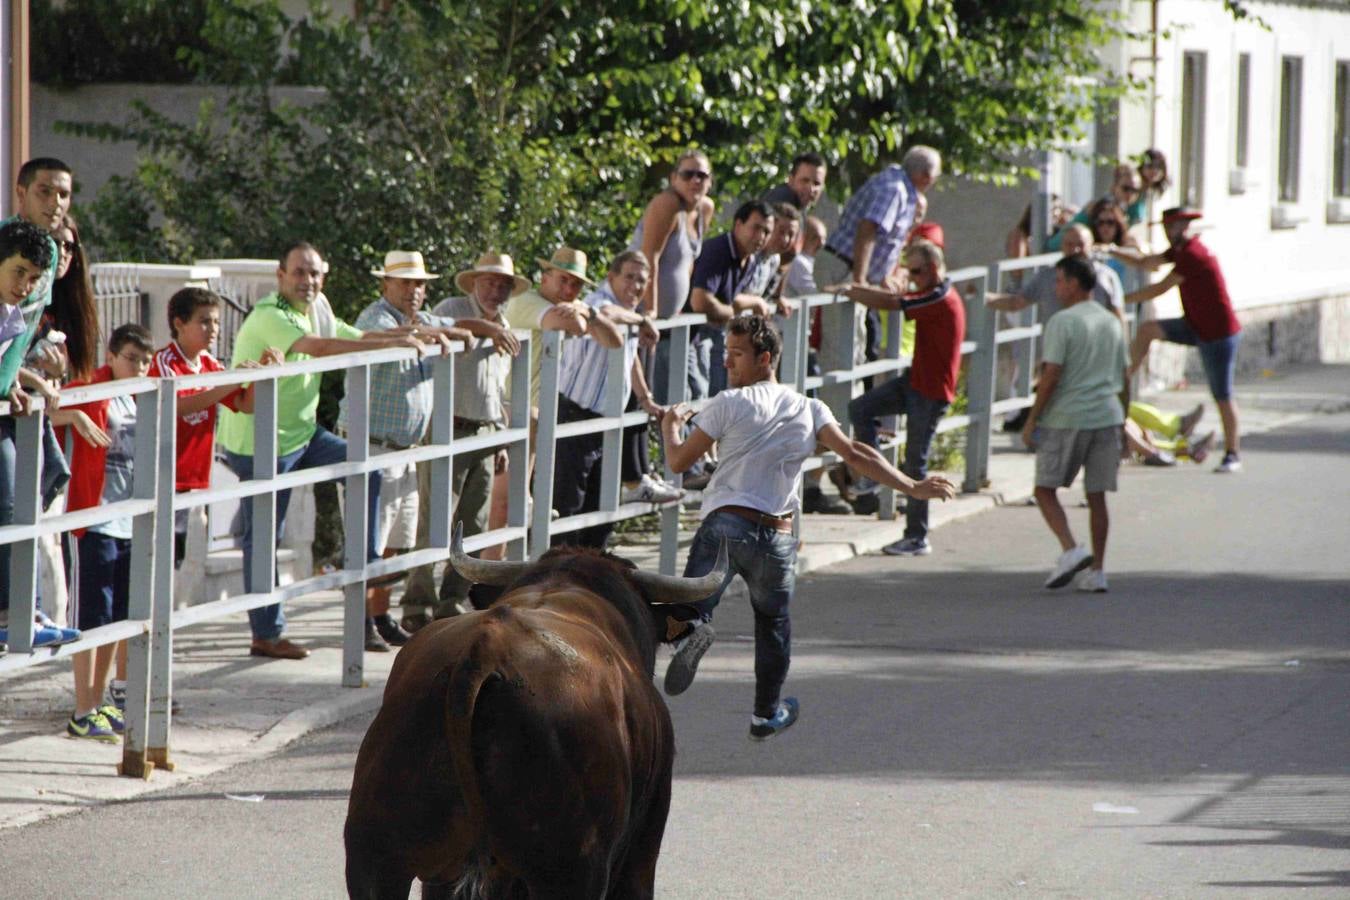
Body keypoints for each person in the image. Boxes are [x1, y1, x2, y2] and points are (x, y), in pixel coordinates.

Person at [658, 315, 956, 739]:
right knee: (773, 624)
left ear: (765, 358)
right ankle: (765, 715)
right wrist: (912, 486)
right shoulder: (809, 408)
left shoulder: (726, 402)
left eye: (736, 354)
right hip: (776, 536)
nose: (727, 363)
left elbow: (678, 462)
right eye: (726, 353)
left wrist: (671, 428)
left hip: (726, 524)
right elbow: (855, 453)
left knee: (686, 608)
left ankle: (687, 632)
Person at [217, 241, 430, 659]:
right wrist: (388, 345)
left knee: (363, 466)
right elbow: (323, 348)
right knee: (265, 539)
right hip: (261, 441)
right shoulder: (272, 316)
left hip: (302, 434)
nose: (307, 281)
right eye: (298, 272)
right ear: (281, 277)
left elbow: (351, 335)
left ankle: (361, 562)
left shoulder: (317, 309)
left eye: (314, 273)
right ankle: (266, 634)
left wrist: (403, 335)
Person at [338, 251, 470, 651]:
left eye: (420, 283)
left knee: (397, 542)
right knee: (367, 545)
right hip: (371, 447)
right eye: (406, 283)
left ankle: (379, 616)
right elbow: (375, 339)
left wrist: (483, 330)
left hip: (406, 450)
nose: (414, 290)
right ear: (386, 285)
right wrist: (428, 336)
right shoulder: (375, 317)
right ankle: (357, 624)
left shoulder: (425, 319)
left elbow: (460, 325)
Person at [404, 252, 524, 625]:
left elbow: (496, 390)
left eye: (503, 285)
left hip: (485, 432)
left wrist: (501, 438)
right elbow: (426, 323)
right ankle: (416, 605)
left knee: (472, 526)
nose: (496, 290)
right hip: (447, 429)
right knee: (434, 523)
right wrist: (485, 329)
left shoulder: (505, 322)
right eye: (489, 282)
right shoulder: (454, 306)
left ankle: (452, 600)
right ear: (474, 283)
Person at [832, 240, 966, 555]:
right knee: (860, 409)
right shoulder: (936, 289)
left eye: (917, 271)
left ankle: (917, 537)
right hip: (915, 382)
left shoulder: (940, 296)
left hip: (930, 392)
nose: (913, 278)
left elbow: (893, 304)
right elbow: (898, 296)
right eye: (910, 271)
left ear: (933, 268)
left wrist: (852, 290)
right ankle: (872, 475)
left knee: (914, 465)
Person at [61, 324, 156, 741]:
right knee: (89, 619)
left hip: (127, 520)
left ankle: (97, 704)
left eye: (145, 359)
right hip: (93, 518)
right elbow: (46, 408)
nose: (139, 366)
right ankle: (83, 707)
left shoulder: (143, 395)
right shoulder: (92, 386)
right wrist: (76, 413)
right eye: (132, 358)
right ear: (113, 356)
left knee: (114, 621)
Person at [552, 250, 680, 548]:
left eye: (642, 281)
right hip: (576, 416)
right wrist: (642, 319)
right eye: (630, 277)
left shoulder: (628, 311)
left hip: (606, 422)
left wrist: (645, 397)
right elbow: (606, 316)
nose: (636, 286)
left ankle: (590, 580)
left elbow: (628, 355)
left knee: (601, 510)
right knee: (569, 508)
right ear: (611, 277)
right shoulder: (597, 303)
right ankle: (559, 581)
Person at [1021, 256, 1129, 593]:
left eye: (1059, 281)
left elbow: (1051, 374)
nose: (1056, 288)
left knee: (1044, 488)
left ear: (1073, 284)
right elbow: (1124, 376)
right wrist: (1124, 421)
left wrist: (1032, 419)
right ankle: (1097, 570)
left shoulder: (1062, 321)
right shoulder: (1112, 322)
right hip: (1107, 416)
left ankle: (1071, 549)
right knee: (1097, 496)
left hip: (1067, 417)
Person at [0, 160, 71, 648]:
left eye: (64, 194)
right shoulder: (11, 240)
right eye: (45, 191)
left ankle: (23, 610)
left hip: (10, 398)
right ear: (21, 192)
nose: (55, 202)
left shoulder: (47, 251)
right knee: (10, 503)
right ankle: (14, 612)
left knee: (44, 482)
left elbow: (14, 339)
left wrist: (18, 379)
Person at [1112, 207, 1242, 473]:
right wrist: (1112, 250)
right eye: (1170, 227)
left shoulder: (1193, 254)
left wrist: (1120, 300)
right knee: (1148, 330)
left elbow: (1159, 288)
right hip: (1195, 325)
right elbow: (1147, 262)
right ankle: (1123, 378)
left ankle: (1232, 454)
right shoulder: (1180, 251)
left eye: (1178, 226)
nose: (1173, 232)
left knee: (1223, 395)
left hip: (1217, 334)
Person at [818, 146, 942, 365]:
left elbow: (888, 240)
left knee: (856, 348)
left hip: (850, 269)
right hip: (844, 269)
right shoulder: (894, 189)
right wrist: (860, 281)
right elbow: (868, 229)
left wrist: (884, 276)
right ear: (926, 176)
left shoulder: (900, 186)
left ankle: (849, 399)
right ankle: (839, 401)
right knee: (843, 353)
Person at [630, 150, 715, 404]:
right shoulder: (666, 204)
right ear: (673, 178)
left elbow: (688, 260)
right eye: (688, 174)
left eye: (702, 175)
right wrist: (652, 312)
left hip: (671, 321)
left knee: (682, 397)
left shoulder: (705, 208)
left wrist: (681, 305)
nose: (695, 181)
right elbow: (649, 258)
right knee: (637, 398)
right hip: (641, 313)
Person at [688, 200, 776, 398]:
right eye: (756, 228)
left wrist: (754, 302)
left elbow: (731, 298)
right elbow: (700, 301)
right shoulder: (717, 250)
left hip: (704, 339)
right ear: (738, 225)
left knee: (710, 397)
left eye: (767, 232)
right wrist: (731, 313)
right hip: (680, 337)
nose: (761, 237)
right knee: (691, 398)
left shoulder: (751, 258)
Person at [985, 223, 1124, 321]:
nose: (1075, 250)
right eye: (1070, 245)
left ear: (1091, 246)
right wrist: (984, 297)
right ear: (1062, 246)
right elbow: (1016, 302)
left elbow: (1118, 316)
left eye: (1080, 245)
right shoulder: (1047, 276)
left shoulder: (1107, 277)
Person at [1045, 164, 1143, 252]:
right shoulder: (1102, 207)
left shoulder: (1127, 209)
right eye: (1126, 188)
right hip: (1063, 249)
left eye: (1135, 190)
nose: (1130, 194)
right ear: (1114, 187)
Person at [763, 151, 828, 212]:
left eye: (817, 183)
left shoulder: (799, 206)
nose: (811, 189)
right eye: (804, 180)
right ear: (791, 180)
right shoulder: (782, 199)